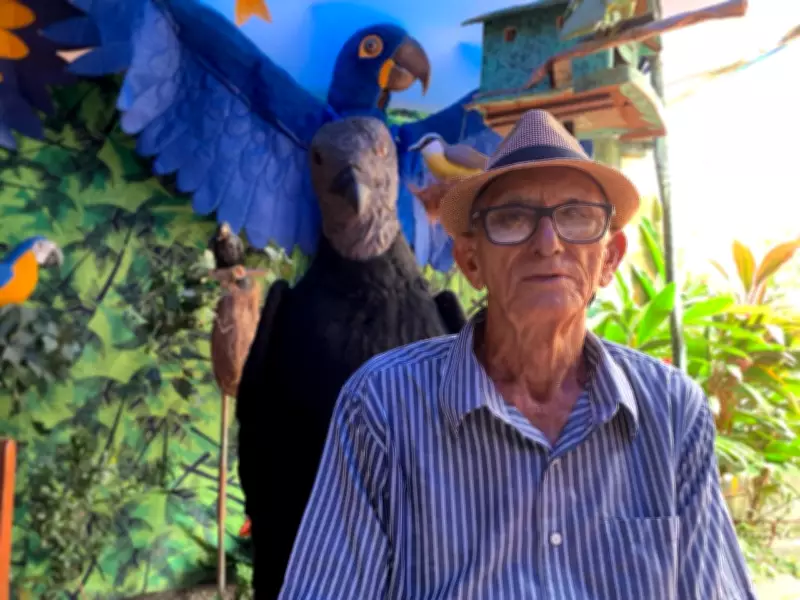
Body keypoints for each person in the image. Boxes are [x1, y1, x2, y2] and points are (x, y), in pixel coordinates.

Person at [277, 109, 756, 599]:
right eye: (511, 219)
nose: (548, 244)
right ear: (470, 261)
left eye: (576, 217)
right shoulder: (382, 405)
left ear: (608, 259)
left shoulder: (671, 411)